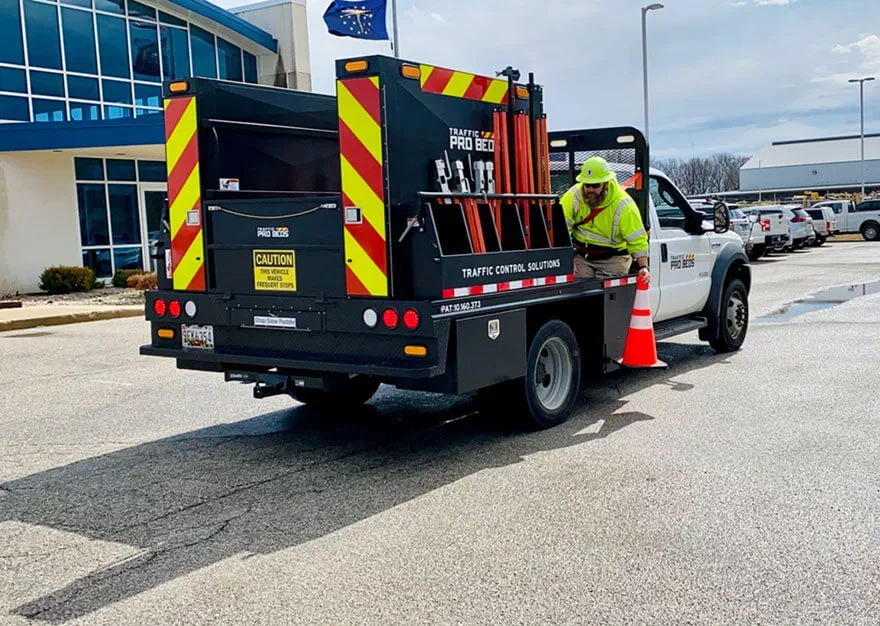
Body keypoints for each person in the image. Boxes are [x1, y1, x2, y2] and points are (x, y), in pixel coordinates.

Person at [559, 156, 650, 282]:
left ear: (606, 184)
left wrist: (643, 267)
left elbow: (637, 240)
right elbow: (561, 229)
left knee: (606, 298)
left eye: (595, 185)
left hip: (613, 260)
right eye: (587, 185)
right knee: (579, 295)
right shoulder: (573, 196)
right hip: (582, 257)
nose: (590, 189)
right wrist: (567, 259)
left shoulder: (623, 205)